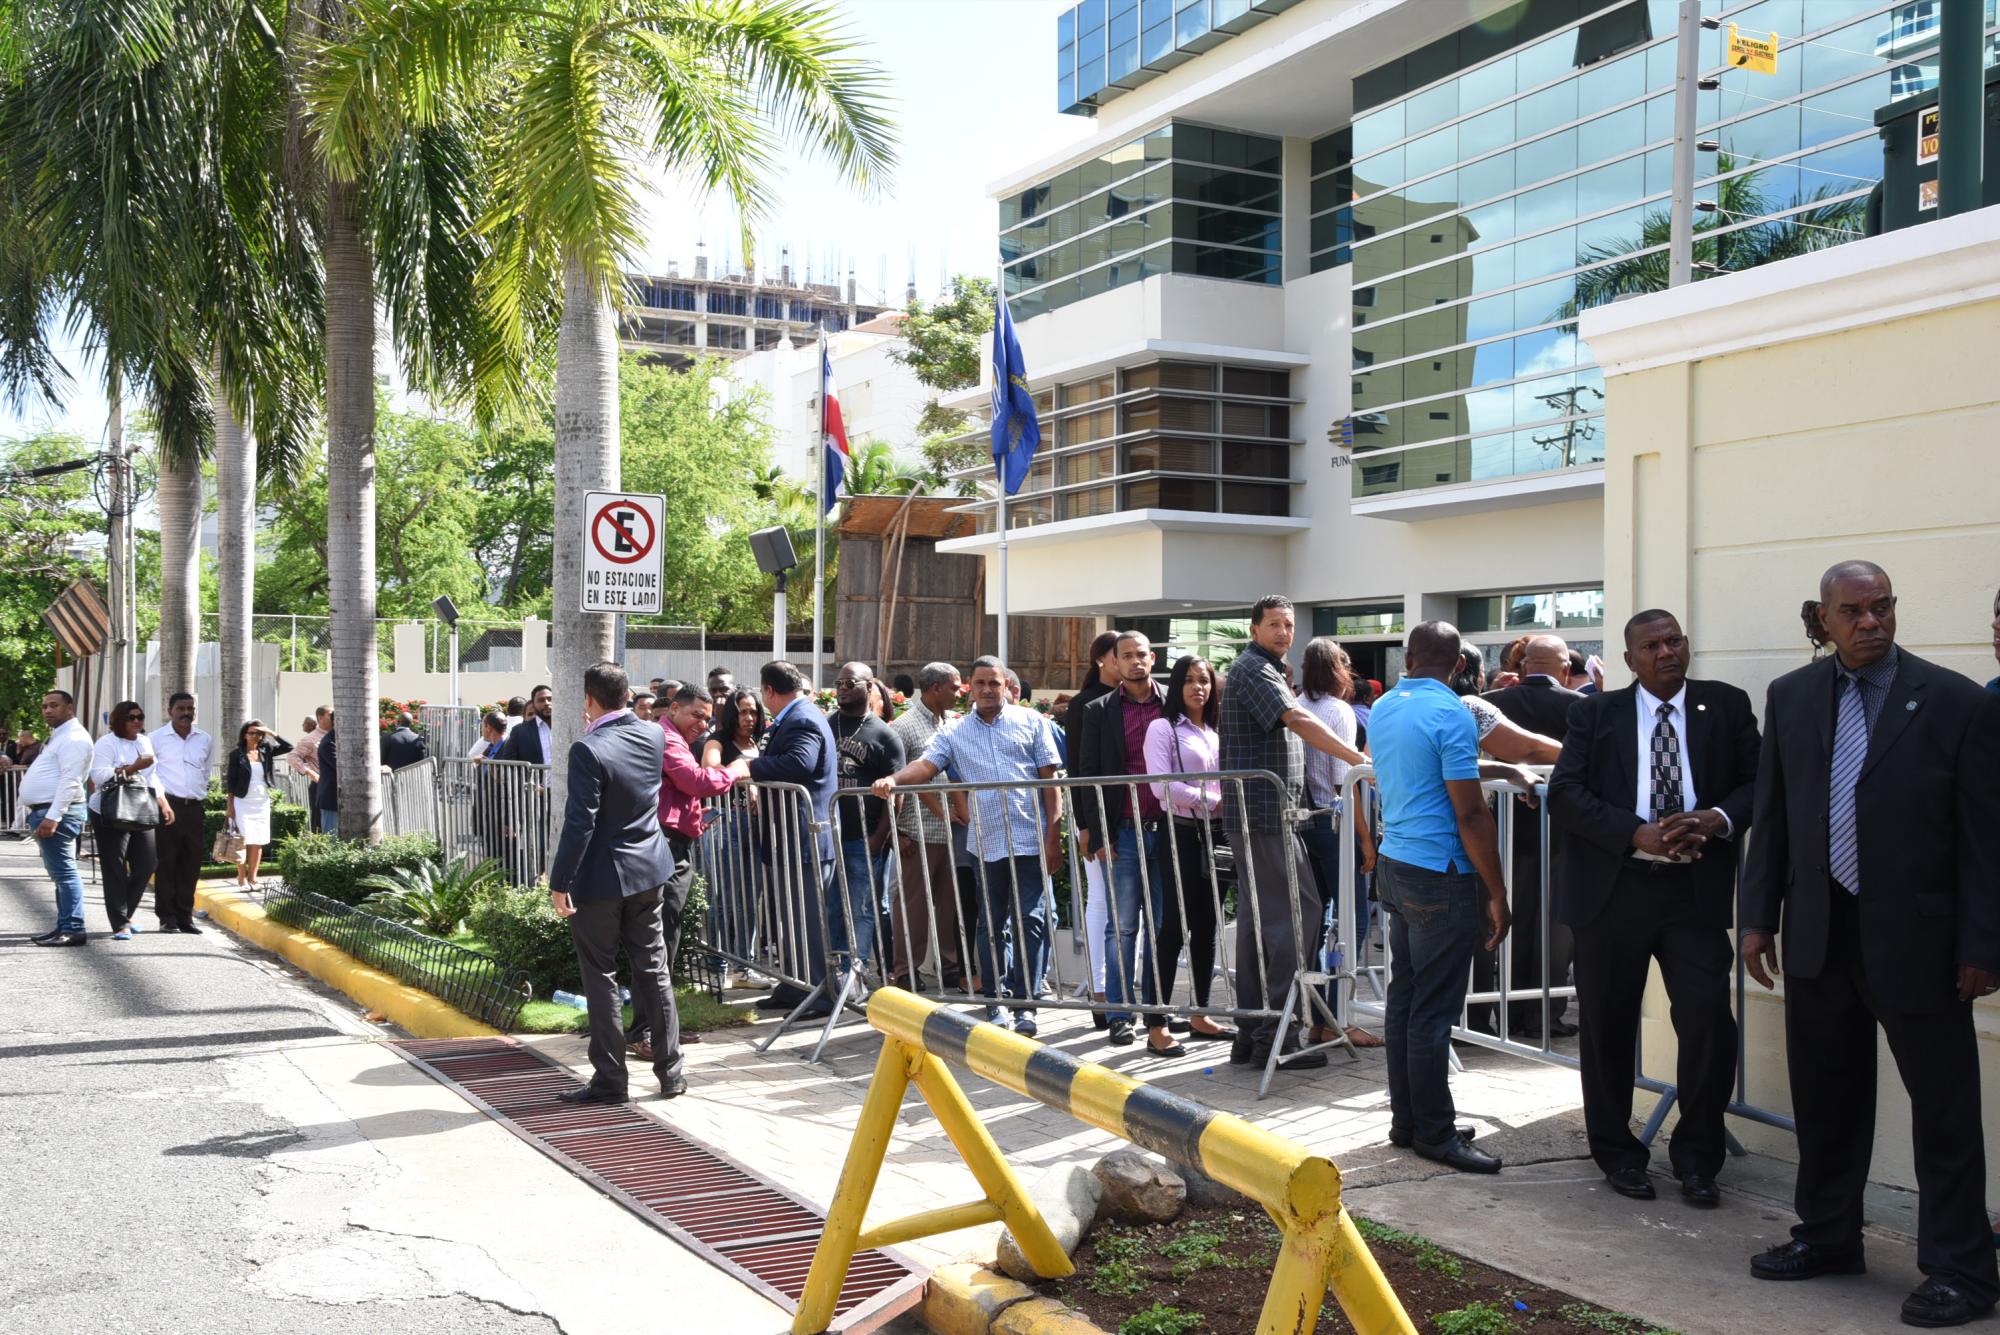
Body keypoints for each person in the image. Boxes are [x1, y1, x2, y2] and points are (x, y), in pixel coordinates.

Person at [1739, 561, 2000, 1327]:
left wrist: (1984, 941)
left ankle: (1962, 1270)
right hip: (1819, 932)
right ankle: (1827, 1236)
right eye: (1853, 610)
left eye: (1882, 606)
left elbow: (1985, 837)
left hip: (1922, 941)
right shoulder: (1792, 697)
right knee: (1827, 1098)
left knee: (1945, 1110)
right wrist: (1757, 917)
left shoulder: (1953, 699)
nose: (1872, 621)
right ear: (1823, 618)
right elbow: (1775, 816)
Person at [1547, 611, 1758, 1209]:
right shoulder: (1594, 713)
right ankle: (1616, 1153)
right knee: (1608, 1028)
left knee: (1709, 1022)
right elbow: (1564, 794)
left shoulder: (1725, 704)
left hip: (1692, 892)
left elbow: (1757, 780)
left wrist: (1716, 820)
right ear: (1630, 658)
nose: (1667, 652)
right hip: (1614, 891)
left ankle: (1698, 1159)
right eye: (1652, 645)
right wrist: (1634, 833)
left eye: (1674, 641)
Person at [1370, 620, 1531, 1174]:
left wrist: (1503, 767)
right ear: (1461, 665)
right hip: (1440, 874)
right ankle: (1435, 1134)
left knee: (1406, 1001)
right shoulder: (1453, 713)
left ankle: (1409, 1122)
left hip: (1398, 866)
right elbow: (1469, 811)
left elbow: (1438, 773)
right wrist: (1499, 892)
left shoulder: (1388, 706)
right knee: (1431, 1012)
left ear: (1408, 657)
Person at [1217, 596, 1370, 1074]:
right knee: (1293, 917)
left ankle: (1254, 1035)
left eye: (1289, 624)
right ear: (1254, 628)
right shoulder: (1254, 668)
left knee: (1263, 921)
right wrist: (1358, 760)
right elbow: (1298, 720)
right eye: (1273, 624)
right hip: (1263, 814)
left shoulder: (1267, 668)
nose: (1283, 632)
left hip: (1272, 814)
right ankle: (1275, 1035)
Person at [874, 657, 1061, 1036]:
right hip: (985, 843)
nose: (988, 689)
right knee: (991, 925)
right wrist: (893, 780)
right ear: (969, 689)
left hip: (1029, 839)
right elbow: (926, 766)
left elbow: (1049, 783)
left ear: (1007, 685)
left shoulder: (1033, 723)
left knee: (1033, 921)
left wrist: (1053, 837)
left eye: (995, 682)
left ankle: (1027, 1004)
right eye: (980, 683)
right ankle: (995, 1001)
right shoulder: (955, 733)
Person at [546, 662, 684, 1104]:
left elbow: (579, 823)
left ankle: (610, 1078)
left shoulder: (589, 749)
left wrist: (559, 879)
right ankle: (672, 1073)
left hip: (602, 879)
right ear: (627, 696)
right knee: (653, 970)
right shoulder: (654, 734)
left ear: (589, 699)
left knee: (601, 976)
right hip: (649, 871)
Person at [630, 683, 741, 1062]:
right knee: (659, 939)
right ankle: (646, 1032)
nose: (701, 724)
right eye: (696, 715)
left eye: (708, 719)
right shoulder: (666, 737)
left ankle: (659, 1027)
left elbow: (683, 792)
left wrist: (695, 820)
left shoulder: (669, 736)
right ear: (674, 708)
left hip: (672, 842)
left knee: (665, 937)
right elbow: (694, 781)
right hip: (665, 847)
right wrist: (736, 771)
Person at [1480, 634, 1584, 1039]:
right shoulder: (1582, 707)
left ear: (1522, 667)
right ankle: (1543, 1015)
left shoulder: (1492, 703)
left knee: (1503, 925)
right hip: (1562, 834)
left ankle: (1495, 1013)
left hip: (1502, 833)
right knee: (1555, 931)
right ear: (1564, 671)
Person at [1072, 630, 1170, 1050]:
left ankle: (1157, 1015)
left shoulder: (1172, 702)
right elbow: (1088, 773)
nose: (1134, 662)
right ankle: (1118, 1013)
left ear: (1152, 658)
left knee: (1163, 928)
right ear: (1114, 660)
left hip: (1167, 831)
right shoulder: (1098, 710)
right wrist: (1098, 832)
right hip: (1124, 833)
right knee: (1123, 926)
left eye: (1141, 655)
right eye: (1126, 656)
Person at [1141, 654, 1234, 1055]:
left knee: (1208, 925)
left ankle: (1199, 1012)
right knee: (1174, 928)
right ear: (1177, 686)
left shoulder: (1214, 731)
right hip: (1180, 832)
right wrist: (1211, 799)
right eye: (1191, 680)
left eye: (1205, 680)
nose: (1199, 687)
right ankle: (1156, 1023)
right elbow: (1159, 785)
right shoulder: (1162, 728)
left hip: (1215, 835)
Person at [1294, 636, 1381, 1050]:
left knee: (1320, 923)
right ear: (1339, 669)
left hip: (1307, 824)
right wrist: (1366, 838)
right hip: (1334, 822)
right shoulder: (1336, 710)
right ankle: (1336, 1018)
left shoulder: (1299, 705)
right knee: (1353, 919)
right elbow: (1343, 782)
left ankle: (1318, 1017)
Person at [746, 660, 840, 1016]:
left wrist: (749, 766)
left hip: (804, 837)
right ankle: (794, 983)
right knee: (789, 915)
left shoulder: (802, 718)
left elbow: (800, 763)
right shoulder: (797, 715)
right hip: (789, 835)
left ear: (769, 691)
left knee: (809, 920)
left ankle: (820, 991)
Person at [884, 661, 965, 994]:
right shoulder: (905, 727)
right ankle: (905, 971)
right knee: (913, 905)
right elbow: (901, 780)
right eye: (955, 686)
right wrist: (896, 831)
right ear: (935, 688)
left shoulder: (951, 723)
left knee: (951, 903)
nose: (961, 693)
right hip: (917, 831)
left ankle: (949, 965)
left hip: (954, 831)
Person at [828, 662, 905, 979]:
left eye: (850, 683)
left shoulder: (885, 735)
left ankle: (855, 971)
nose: (843, 689)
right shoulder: (825, 726)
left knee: (861, 908)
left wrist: (881, 836)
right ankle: (836, 968)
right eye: (839, 683)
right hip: (830, 834)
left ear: (868, 686)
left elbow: (897, 790)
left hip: (865, 836)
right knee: (833, 907)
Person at [1069, 630, 1122, 1023]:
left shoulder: (1135, 701)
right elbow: (1079, 769)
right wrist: (1085, 825)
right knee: (1101, 899)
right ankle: (1099, 987)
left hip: (1130, 816)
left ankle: (1125, 987)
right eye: (1118, 655)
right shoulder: (1084, 705)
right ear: (1103, 660)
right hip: (1094, 816)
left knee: (1130, 907)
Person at [88, 701, 170, 939]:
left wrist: (163, 802)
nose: (137, 722)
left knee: (147, 863)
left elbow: (152, 777)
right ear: (118, 720)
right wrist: (132, 767)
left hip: (140, 806)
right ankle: (120, 923)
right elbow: (99, 776)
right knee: (114, 867)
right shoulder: (106, 743)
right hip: (110, 810)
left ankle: (126, 913)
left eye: (140, 717)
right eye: (131, 717)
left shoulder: (144, 742)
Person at [21, 691, 93, 946]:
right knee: (59, 874)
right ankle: (64, 925)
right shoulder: (60, 736)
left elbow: (70, 781)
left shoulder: (73, 738)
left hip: (57, 813)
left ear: (69, 708)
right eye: (44, 706)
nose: (47, 710)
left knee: (65, 873)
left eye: (54, 705)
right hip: (49, 811)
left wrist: (53, 818)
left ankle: (73, 928)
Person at [150, 692, 215, 933]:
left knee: (191, 863)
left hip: (195, 808)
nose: (186, 713)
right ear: (170, 711)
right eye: (181, 708)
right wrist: (161, 801)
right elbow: (151, 774)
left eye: (190, 708)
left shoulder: (204, 739)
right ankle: (167, 917)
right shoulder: (156, 738)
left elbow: (206, 771)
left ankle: (185, 916)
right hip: (168, 807)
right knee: (166, 863)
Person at [226, 721, 292, 887]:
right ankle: (241, 876)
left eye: (258, 733)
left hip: (261, 800)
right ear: (244, 735)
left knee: (258, 839)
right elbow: (231, 782)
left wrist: (271, 732)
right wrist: (230, 806)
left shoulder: (266, 750)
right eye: (251, 733)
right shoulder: (236, 754)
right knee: (242, 839)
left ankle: (253, 877)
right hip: (243, 800)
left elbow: (289, 746)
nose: (254, 736)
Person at [496, 685, 552, 764]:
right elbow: (508, 764)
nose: (547, 703)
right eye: (541, 700)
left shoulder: (567, 727)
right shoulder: (519, 731)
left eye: (550, 699)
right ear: (534, 704)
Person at [315, 713, 340, 834]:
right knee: (331, 838)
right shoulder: (329, 742)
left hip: (339, 797)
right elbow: (340, 767)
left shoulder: (337, 740)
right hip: (331, 797)